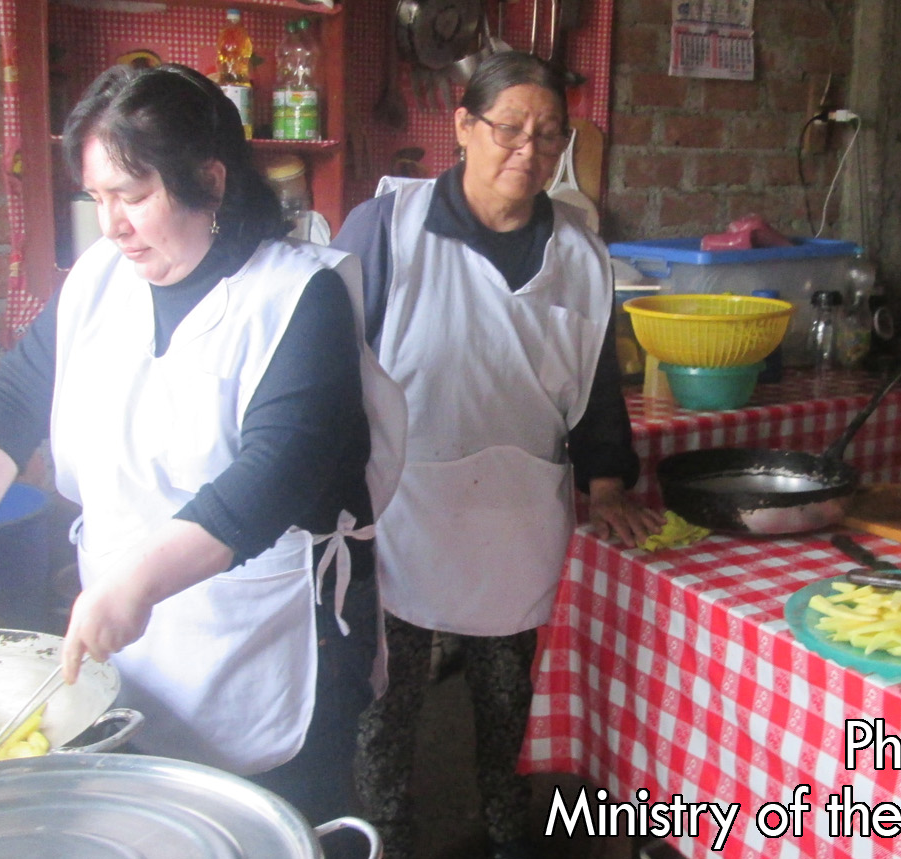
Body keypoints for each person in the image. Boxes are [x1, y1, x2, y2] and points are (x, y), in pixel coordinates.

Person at [0, 63, 404, 826]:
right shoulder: (100, 280)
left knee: (277, 827)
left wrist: (135, 583)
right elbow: (10, 398)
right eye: (97, 197)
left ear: (209, 178)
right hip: (126, 636)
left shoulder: (300, 296)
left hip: (262, 637)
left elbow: (271, 478)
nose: (111, 225)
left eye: (133, 196)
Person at [332, 51, 663, 859]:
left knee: (511, 712)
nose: (529, 147)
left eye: (549, 133)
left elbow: (593, 385)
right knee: (388, 710)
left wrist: (610, 480)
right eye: (509, 126)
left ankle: (513, 844)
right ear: (462, 127)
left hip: (516, 520)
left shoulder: (580, 256)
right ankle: (387, 846)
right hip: (397, 511)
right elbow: (329, 371)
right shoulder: (387, 231)